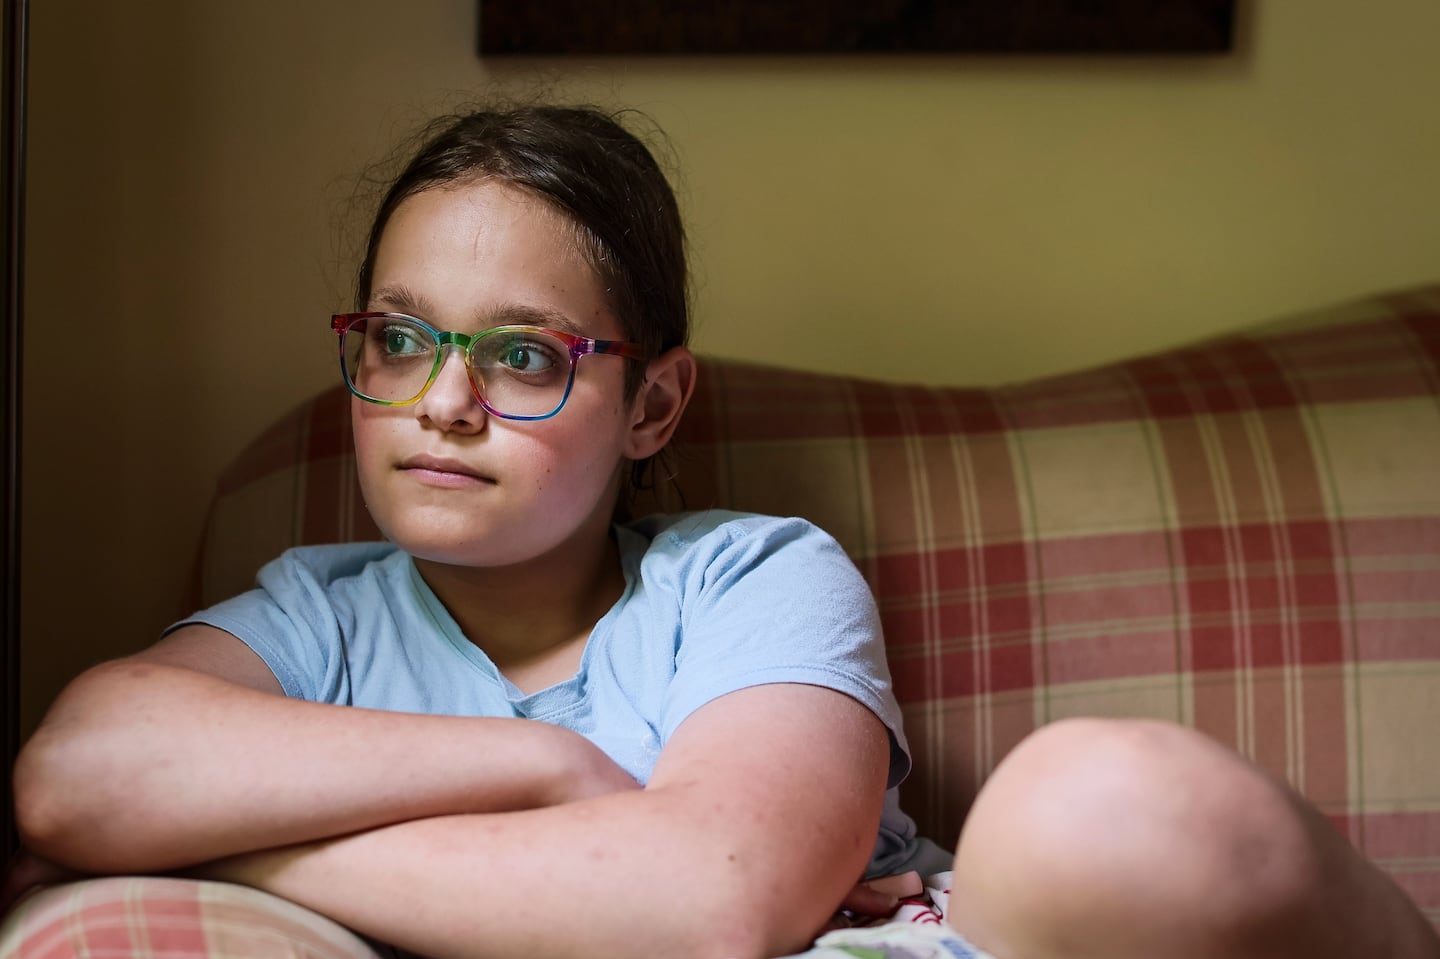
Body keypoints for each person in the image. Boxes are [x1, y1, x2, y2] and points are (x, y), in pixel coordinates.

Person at [4, 104, 1438, 959]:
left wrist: (240, 849)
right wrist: (543, 767)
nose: (439, 403)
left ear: (651, 404)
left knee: (1099, 799)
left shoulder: (749, 574)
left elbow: (714, 901)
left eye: (520, 357)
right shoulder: (320, 611)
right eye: (397, 338)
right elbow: (76, 775)